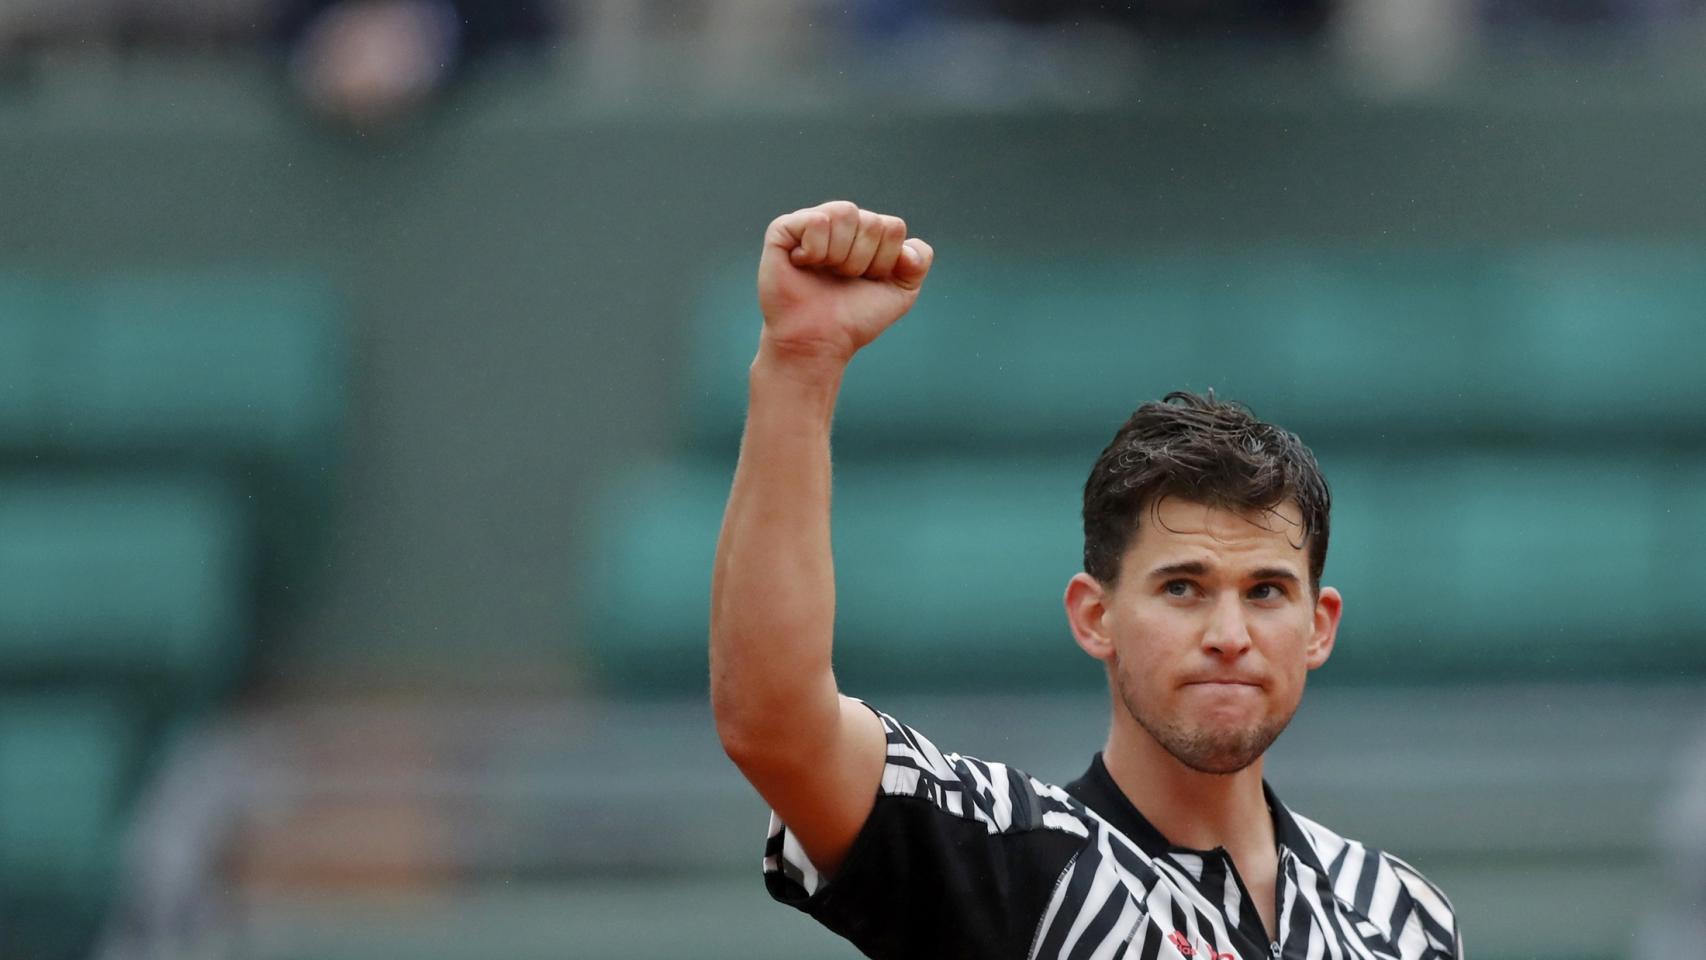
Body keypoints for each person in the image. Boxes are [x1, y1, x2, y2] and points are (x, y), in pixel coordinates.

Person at [709, 199, 1463, 960]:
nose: (1229, 636)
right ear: (1094, 615)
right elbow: (775, 726)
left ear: (1320, 627)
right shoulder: (1020, 862)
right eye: (1182, 588)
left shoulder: (1405, 919)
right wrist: (800, 361)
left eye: (1266, 591)